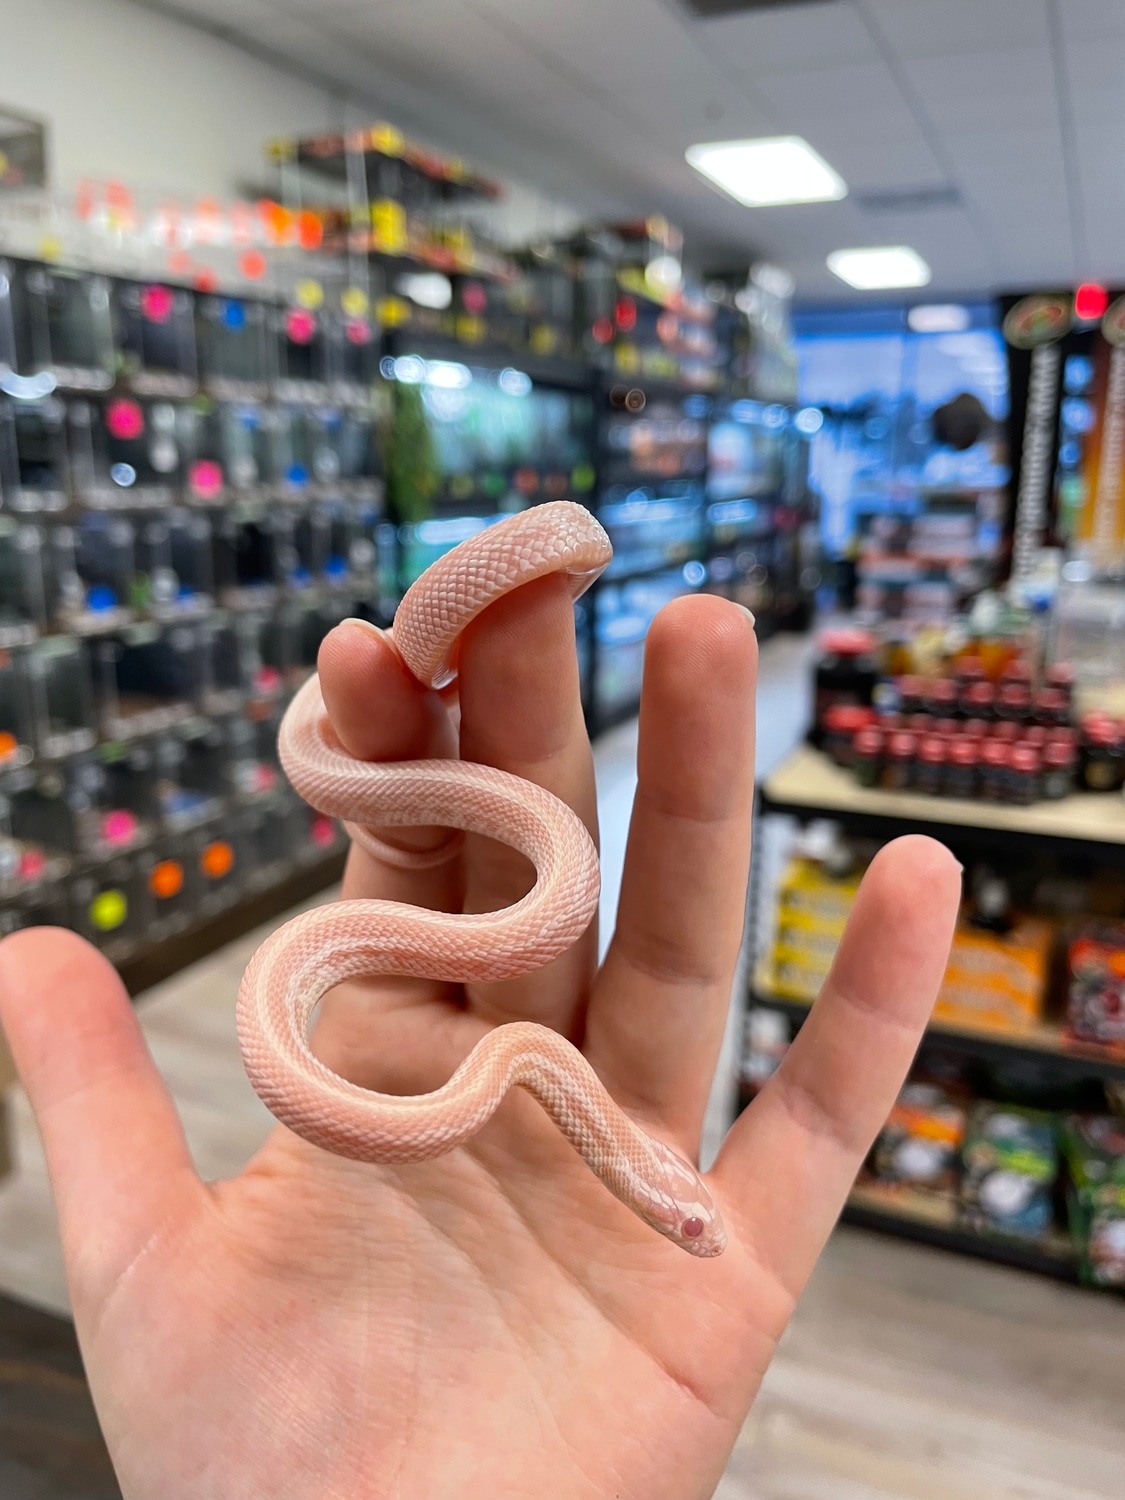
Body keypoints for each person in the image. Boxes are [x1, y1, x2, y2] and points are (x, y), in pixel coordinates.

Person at [0, 584, 960, 1499]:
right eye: (687, 1220)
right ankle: (388, 678)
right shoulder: (517, 1068)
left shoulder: (523, 1062)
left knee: (402, 713)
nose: (691, 1228)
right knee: (383, 694)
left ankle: (388, 681)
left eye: (683, 1224)